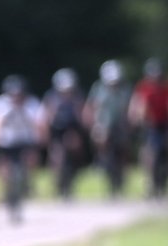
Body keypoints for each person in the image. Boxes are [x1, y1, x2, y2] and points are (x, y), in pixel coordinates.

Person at [0, 75, 46, 224]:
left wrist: (41, 139)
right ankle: (4, 190)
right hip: (6, 141)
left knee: (32, 159)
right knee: (2, 166)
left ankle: (28, 181)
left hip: (25, 140)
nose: (16, 98)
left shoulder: (32, 104)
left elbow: (40, 124)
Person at [86, 59, 132, 198]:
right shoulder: (98, 88)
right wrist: (94, 125)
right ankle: (100, 162)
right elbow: (92, 107)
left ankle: (122, 177)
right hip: (103, 125)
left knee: (123, 149)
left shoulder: (125, 89)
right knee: (102, 143)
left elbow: (129, 108)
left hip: (120, 125)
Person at [43, 68, 89, 200]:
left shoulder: (77, 97)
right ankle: (57, 182)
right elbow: (48, 117)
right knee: (57, 156)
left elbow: (81, 116)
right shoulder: (51, 97)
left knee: (76, 151)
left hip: (73, 129)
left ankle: (71, 181)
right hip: (57, 131)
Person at [130, 58, 168, 198]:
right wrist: (137, 118)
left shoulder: (164, 88)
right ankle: (149, 183)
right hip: (150, 125)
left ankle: (161, 184)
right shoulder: (143, 88)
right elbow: (139, 106)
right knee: (150, 153)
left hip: (163, 124)